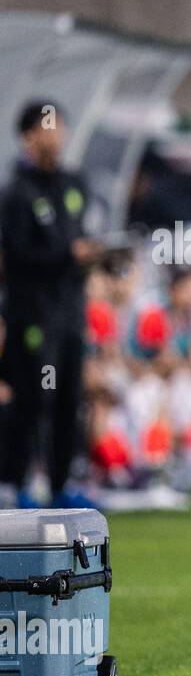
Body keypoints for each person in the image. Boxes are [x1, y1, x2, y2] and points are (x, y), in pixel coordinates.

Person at [0, 100, 103, 508]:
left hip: (70, 313)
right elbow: (17, 256)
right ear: (29, 135)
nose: (57, 136)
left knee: (68, 400)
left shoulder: (74, 183)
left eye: (61, 127)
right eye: (48, 128)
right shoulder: (15, 194)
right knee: (34, 397)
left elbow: (82, 234)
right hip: (32, 314)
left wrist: (95, 255)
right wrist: (68, 255)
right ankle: (17, 483)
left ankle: (61, 486)